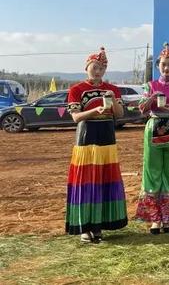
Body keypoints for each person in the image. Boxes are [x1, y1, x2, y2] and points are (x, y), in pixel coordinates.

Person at [65, 47, 128, 243]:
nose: (98, 71)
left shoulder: (113, 89)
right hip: (86, 137)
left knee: (104, 180)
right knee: (86, 181)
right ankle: (84, 227)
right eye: (94, 67)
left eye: (101, 68)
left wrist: (112, 100)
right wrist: (95, 111)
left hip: (107, 138)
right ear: (87, 67)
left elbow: (119, 114)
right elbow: (76, 117)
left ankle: (99, 226)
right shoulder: (76, 90)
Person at [135, 43, 169, 234]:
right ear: (158, 65)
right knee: (152, 172)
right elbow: (142, 108)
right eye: (163, 64)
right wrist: (152, 98)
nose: (166, 68)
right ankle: (154, 219)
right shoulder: (150, 86)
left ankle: (168, 218)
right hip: (153, 128)